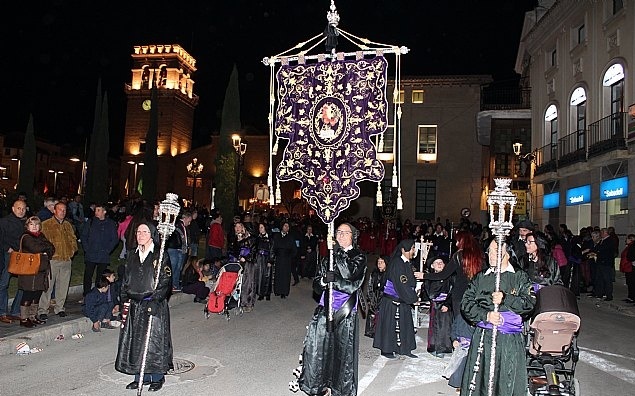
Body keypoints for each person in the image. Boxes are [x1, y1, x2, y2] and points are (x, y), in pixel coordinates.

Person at [295, 223, 366, 396]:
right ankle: (319, 385)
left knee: (342, 353)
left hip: (345, 311)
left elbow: (352, 283)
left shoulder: (358, 257)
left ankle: (340, 389)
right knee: (319, 348)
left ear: (353, 236)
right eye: (338, 232)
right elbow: (316, 286)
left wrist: (336, 276)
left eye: (344, 233)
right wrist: (324, 281)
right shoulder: (329, 257)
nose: (340, 236)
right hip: (325, 308)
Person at [460, 238, 535, 396]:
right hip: (483, 338)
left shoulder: (519, 277)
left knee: (505, 381)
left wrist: (506, 298)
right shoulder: (481, 277)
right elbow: (466, 304)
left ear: (508, 254)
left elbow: (529, 303)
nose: (492, 255)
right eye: (490, 251)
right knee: (481, 380)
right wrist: (485, 315)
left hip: (509, 341)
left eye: (497, 251)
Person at [115, 222, 173, 392]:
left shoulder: (160, 255)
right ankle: (140, 375)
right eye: (138, 232)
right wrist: (124, 299)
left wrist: (155, 300)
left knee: (153, 341)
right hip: (135, 304)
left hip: (152, 303)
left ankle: (156, 377)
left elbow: (165, 281)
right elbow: (126, 280)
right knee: (136, 340)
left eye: (145, 232)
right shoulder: (132, 255)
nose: (140, 235)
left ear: (152, 234)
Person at [373, 239, 421, 359]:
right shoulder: (397, 263)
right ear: (404, 250)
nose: (414, 250)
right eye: (413, 248)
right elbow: (401, 284)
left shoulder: (406, 263)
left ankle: (404, 348)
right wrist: (413, 298)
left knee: (405, 325)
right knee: (390, 326)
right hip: (392, 300)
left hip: (402, 298)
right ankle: (387, 349)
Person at [38, 202, 78, 321]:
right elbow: (41, 242)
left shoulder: (67, 225)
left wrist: (72, 250)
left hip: (66, 259)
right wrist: (48, 254)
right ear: (54, 211)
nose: (62, 212)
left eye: (64, 210)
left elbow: (73, 239)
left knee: (63, 286)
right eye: (60, 209)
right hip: (52, 260)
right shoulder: (46, 225)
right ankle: (42, 310)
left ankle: (60, 308)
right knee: (47, 286)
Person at [17, 216, 54, 327]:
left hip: (40, 271)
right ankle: (24, 319)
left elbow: (52, 248)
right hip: (29, 272)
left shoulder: (41, 236)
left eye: (37, 224)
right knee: (28, 294)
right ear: (27, 226)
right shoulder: (26, 237)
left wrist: (46, 249)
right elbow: (35, 248)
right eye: (32, 224)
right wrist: (45, 248)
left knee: (37, 294)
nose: (34, 227)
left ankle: (33, 316)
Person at [80, 203, 119, 298]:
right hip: (91, 253)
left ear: (104, 212)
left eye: (98, 210)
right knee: (88, 275)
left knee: (100, 276)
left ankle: (98, 295)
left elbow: (114, 239)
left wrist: (107, 250)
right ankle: (87, 295)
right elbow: (84, 236)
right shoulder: (91, 222)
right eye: (95, 210)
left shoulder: (110, 223)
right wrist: (87, 248)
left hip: (103, 254)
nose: (96, 212)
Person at [0, 199, 28, 323]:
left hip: (22, 256)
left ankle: (15, 310)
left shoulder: (26, 223)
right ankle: (2, 312)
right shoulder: (4, 222)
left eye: (23, 209)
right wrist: (8, 248)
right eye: (18, 208)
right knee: (3, 284)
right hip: (8, 256)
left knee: (23, 284)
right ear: (13, 208)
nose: (21, 211)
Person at [424, 256, 453, 357]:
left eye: (441, 262)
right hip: (435, 305)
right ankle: (434, 347)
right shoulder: (429, 279)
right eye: (437, 262)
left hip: (445, 305)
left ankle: (443, 348)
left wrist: (447, 304)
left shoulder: (450, 277)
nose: (440, 264)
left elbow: (453, 291)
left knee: (444, 326)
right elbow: (431, 293)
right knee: (434, 326)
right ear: (432, 266)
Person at [361, 255, 387, 338]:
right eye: (378, 262)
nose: (379, 264)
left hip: (384, 296)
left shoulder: (388, 274)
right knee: (373, 312)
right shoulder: (374, 273)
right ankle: (373, 331)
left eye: (382, 262)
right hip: (375, 296)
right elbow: (370, 286)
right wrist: (371, 299)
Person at [166, 211, 191, 292]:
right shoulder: (177, 225)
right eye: (189, 221)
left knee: (178, 268)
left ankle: (175, 285)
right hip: (174, 249)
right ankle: (169, 285)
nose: (189, 223)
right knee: (173, 267)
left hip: (180, 250)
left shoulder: (184, 227)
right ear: (185, 218)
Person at [272, 221, 297, 299]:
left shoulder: (290, 237)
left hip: (287, 259)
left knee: (285, 276)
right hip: (279, 258)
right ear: (282, 227)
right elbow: (273, 247)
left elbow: (294, 249)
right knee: (278, 275)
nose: (286, 228)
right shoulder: (276, 236)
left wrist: (290, 257)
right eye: (285, 226)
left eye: (288, 226)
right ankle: (277, 291)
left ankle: (284, 292)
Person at [254, 222, 274, 301]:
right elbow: (255, 249)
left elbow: (272, 250)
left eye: (261, 227)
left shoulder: (270, 238)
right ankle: (261, 293)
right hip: (259, 258)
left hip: (267, 258)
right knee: (260, 276)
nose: (260, 229)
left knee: (267, 276)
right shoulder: (257, 238)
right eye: (259, 228)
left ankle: (267, 293)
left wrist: (270, 260)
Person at [620, 234, 635, 303]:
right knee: (629, 282)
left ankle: (632, 297)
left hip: (630, 267)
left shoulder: (632, 246)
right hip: (628, 266)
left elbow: (629, 256)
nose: (626, 240)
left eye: (627, 239)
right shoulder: (629, 246)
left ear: (631, 239)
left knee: (631, 283)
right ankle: (630, 296)